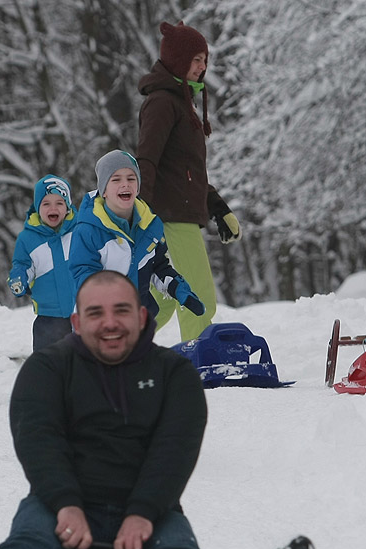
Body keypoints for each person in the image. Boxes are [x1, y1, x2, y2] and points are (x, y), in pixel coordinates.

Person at [0, 270, 315, 549]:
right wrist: (65, 503)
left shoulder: (174, 375)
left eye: (121, 311)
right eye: (96, 313)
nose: (109, 322)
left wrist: (144, 512)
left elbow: (174, 449)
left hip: (150, 513)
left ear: (143, 317)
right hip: (58, 510)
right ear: (77, 323)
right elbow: (38, 440)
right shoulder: (47, 369)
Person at [136, 21, 241, 342]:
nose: (203, 66)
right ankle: (201, 367)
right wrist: (140, 212)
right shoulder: (162, 103)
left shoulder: (181, 102)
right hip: (169, 216)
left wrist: (217, 207)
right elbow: (147, 160)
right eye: (196, 59)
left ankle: (116, 351)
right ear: (179, 60)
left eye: (205, 59)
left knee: (165, 300)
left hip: (178, 212)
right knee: (196, 295)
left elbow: (186, 171)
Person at [68, 149, 205, 322]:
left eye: (131, 179)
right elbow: (83, 274)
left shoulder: (150, 226)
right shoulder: (89, 230)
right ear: (103, 191)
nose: (125, 184)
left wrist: (178, 289)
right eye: (116, 179)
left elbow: (158, 266)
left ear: (138, 187)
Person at [7, 174, 78, 351]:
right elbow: (23, 265)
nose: (52, 208)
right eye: (46, 204)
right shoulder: (27, 239)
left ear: (68, 207)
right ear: (38, 207)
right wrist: (19, 277)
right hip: (49, 316)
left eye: (59, 203)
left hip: (83, 311)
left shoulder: (80, 230)